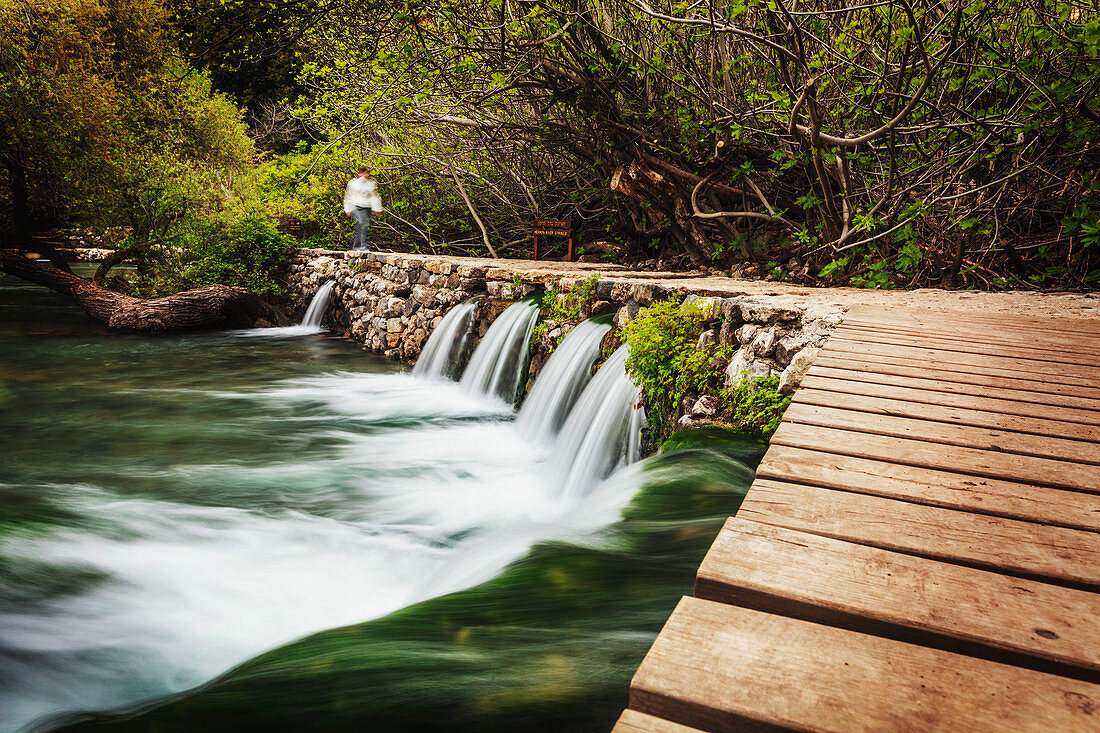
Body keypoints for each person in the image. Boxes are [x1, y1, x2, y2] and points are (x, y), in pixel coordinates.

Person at [343, 166, 383, 251]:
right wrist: (347, 208)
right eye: (362, 173)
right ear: (359, 174)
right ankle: (362, 246)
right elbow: (348, 196)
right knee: (362, 223)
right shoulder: (353, 183)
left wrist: (377, 208)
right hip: (356, 205)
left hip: (367, 207)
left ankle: (358, 246)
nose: (364, 175)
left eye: (366, 173)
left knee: (363, 226)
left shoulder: (370, 184)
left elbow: (374, 196)